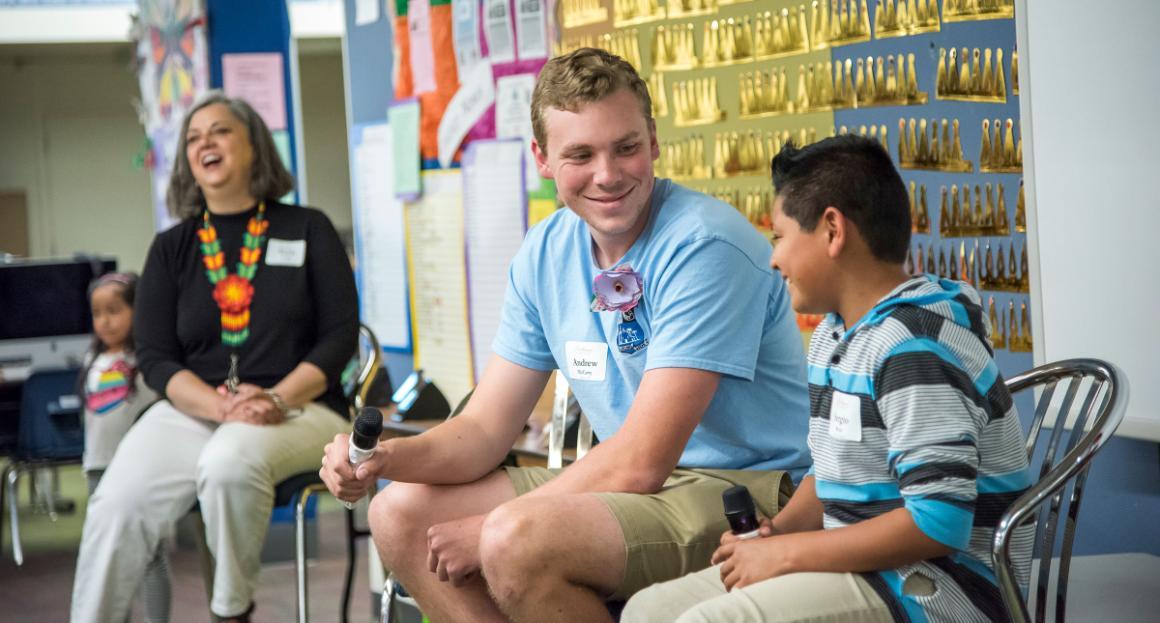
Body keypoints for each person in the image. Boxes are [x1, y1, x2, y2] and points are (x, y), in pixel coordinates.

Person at [319, 47, 811, 622]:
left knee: (512, 540)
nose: (608, 174)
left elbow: (641, 462)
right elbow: (482, 429)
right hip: (640, 487)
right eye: (580, 154)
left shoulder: (705, 245)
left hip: (749, 487)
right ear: (543, 159)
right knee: (397, 514)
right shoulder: (545, 250)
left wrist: (485, 528)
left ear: (653, 141)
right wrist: (383, 459)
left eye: (626, 147)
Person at [622, 135, 1034, 623]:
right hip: (863, 571)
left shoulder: (914, 347)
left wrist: (789, 555)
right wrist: (777, 533)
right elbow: (836, 472)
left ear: (833, 231)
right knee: (646, 611)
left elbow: (939, 524)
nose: (774, 258)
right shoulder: (836, 336)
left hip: (940, 590)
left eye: (779, 236)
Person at [71, 91, 359, 623]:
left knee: (228, 463)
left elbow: (339, 337)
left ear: (254, 147)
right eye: (193, 136)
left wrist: (274, 395)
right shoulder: (172, 247)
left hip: (301, 406)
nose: (205, 142)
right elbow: (155, 357)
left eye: (220, 130)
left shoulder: (308, 228)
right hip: (195, 408)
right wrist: (217, 405)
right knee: (117, 502)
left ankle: (231, 611)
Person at [79, 271, 168, 620]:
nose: (105, 320)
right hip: (98, 469)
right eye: (97, 313)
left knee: (150, 554)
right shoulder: (91, 361)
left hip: (137, 471)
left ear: (138, 310)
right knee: (107, 556)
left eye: (114, 310)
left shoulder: (147, 363)